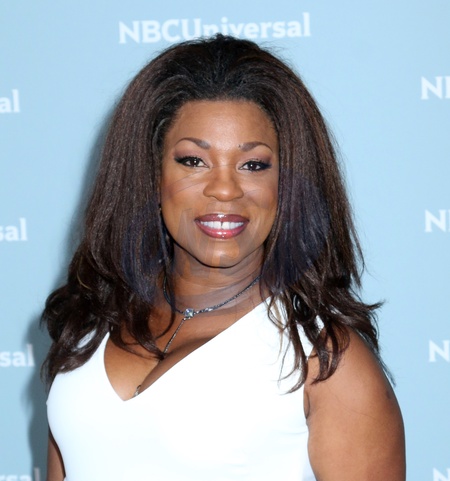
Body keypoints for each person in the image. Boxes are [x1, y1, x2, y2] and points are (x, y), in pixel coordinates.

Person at [42, 34, 406, 481]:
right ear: (152, 174)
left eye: (253, 165)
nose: (224, 190)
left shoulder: (324, 361)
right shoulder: (91, 321)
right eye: (193, 161)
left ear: (289, 185)